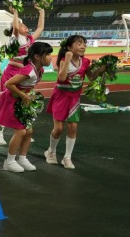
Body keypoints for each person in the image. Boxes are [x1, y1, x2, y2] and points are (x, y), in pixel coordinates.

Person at [0, 42, 53, 173]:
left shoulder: (39, 70)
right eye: (48, 54)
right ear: (37, 57)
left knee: (29, 131)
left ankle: (22, 158)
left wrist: (28, 96)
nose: (50, 57)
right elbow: (8, 84)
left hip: (21, 101)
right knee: (21, 131)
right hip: (12, 100)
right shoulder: (29, 70)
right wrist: (23, 95)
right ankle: (9, 161)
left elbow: (27, 86)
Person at [44, 35, 104, 169]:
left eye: (84, 44)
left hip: (74, 99)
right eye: (79, 43)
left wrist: (101, 69)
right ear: (69, 47)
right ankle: (51, 152)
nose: (83, 46)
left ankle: (67, 157)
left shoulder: (86, 61)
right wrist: (67, 60)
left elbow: (91, 77)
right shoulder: (63, 61)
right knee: (58, 129)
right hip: (61, 97)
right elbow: (61, 78)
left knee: (73, 127)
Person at [0, 6, 46, 145]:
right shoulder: (15, 38)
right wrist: (15, 13)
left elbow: (40, 28)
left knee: (24, 102)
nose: (24, 26)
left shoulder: (30, 39)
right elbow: (16, 28)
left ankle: (24, 128)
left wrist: (41, 11)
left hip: (23, 74)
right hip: (11, 74)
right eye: (21, 25)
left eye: (24, 25)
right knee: (6, 103)